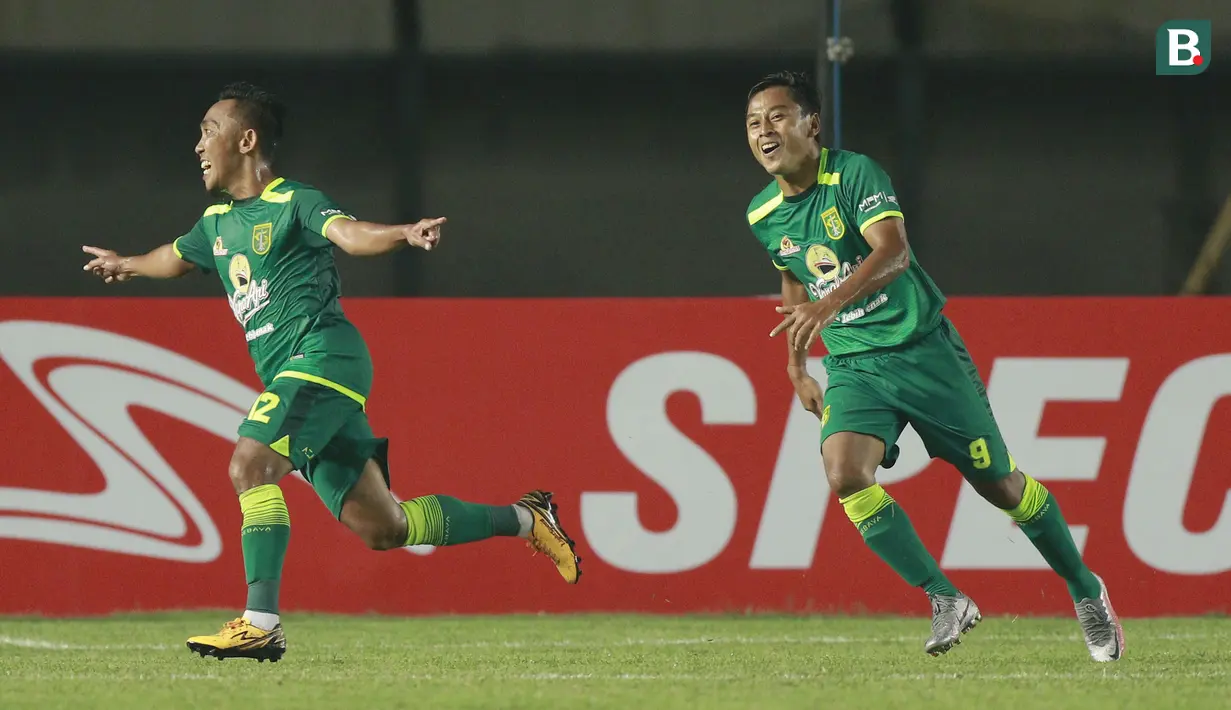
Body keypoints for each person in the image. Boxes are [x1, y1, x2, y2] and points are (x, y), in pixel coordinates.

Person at [82, 82, 581, 663]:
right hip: (296, 378)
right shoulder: (215, 221)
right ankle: (528, 518)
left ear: (246, 140)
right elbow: (173, 256)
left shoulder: (295, 200)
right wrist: (127, 265)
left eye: (208, 131)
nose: (197, 145)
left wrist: (399, 232)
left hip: (323, 359)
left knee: (250, 463)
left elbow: (347, 233)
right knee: (385, 527)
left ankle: (260, 621)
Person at [744, 70, 1122, 661]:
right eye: (753, 122)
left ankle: (1083, 587)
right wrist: (797, 369)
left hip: (923, 351)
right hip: (853, 363)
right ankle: (945, 597)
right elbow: (794, 284)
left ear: (811, 124)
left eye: (777, 116)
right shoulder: (762, 212)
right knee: (844, 473)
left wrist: (829, 302)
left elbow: (893, 251)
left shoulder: (854, 174)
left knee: (1003, 487)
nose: (764, 130)